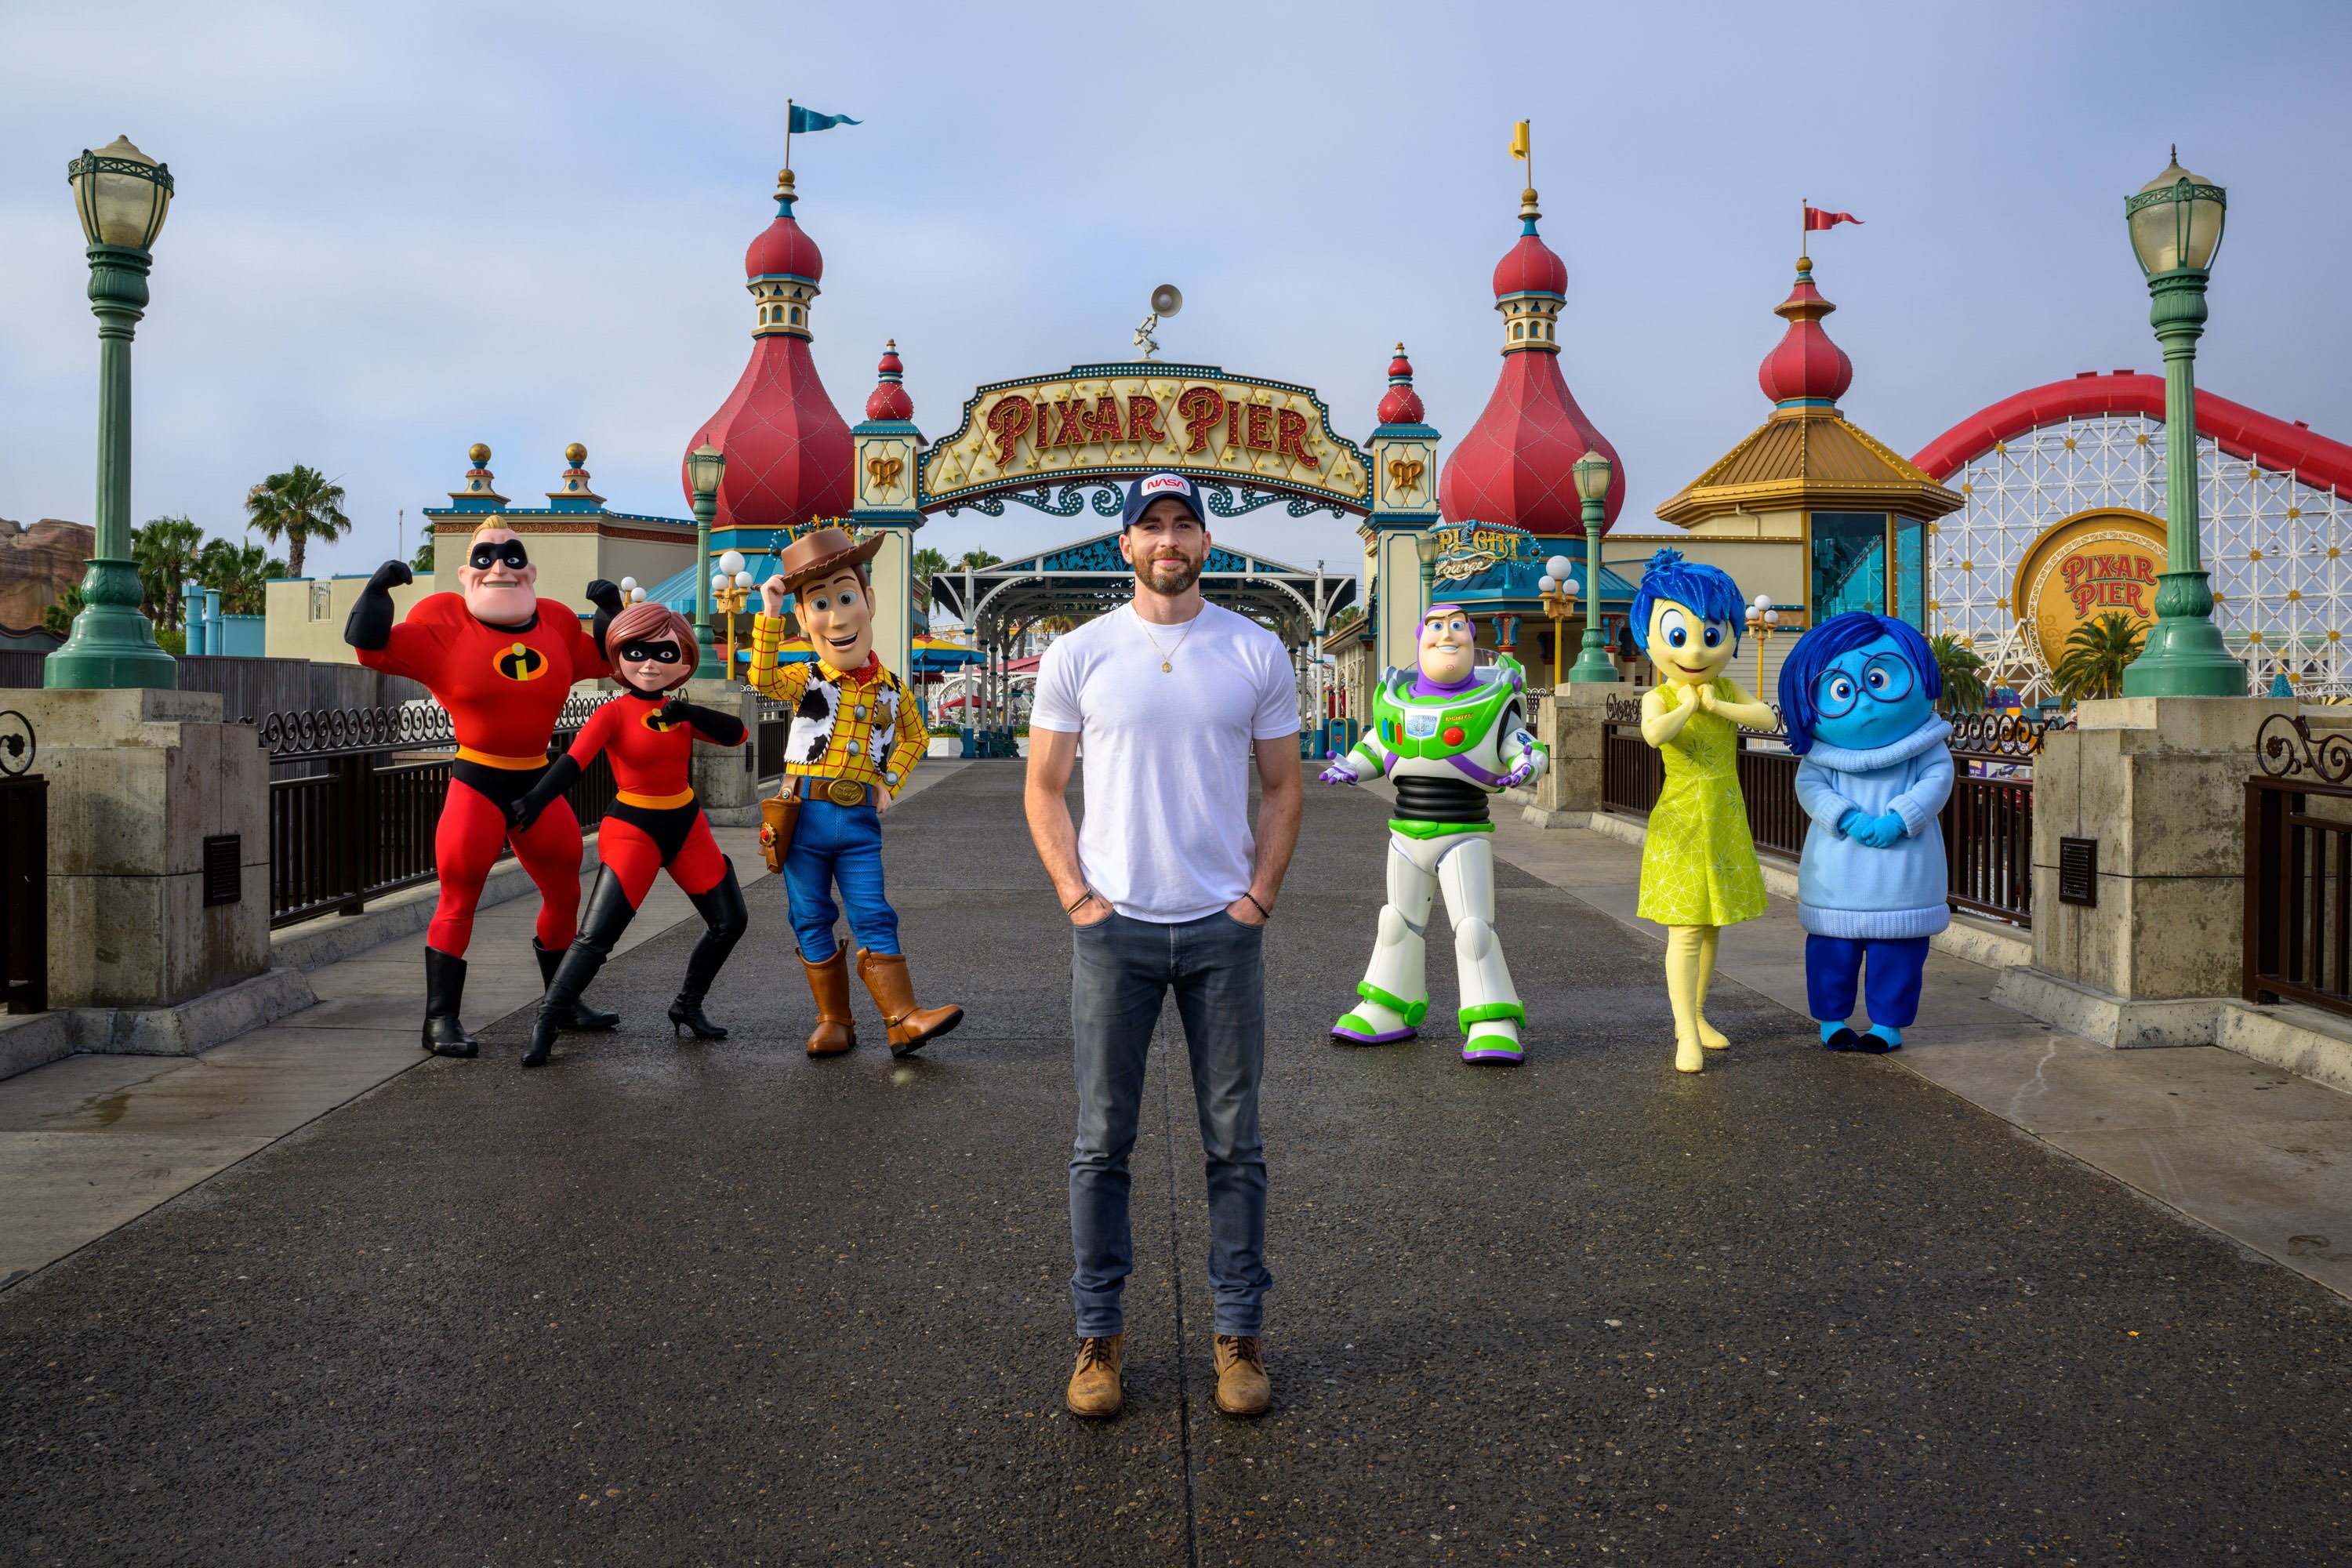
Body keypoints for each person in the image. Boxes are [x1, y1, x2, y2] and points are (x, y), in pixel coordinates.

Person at [1024, 471, 1303, 1421]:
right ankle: (1097, 1338)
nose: (1169, 540)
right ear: (1126, 546)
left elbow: (1282, 788)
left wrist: (1258, 898)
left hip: (1223, 930)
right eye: (1152, 527)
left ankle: (1238, 1334)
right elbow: (1045, 784)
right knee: (1101, 1143)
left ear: (1206, 545)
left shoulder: (1255, 649)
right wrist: (1076, 893)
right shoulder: (1081, 651)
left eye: (1185, 524)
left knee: (1237, 1143)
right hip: (1117, 928)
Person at [345, 528, 623, 1057]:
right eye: (485, 556)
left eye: (511, 555)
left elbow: (613, 657)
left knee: (565, 890)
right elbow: (371, 648)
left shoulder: (560, 623)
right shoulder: (442, 622)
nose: (499, 566)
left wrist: (610, 609)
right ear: (466, 571)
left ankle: (562, 1002)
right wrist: (378, 592)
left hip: (537, 781)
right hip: (478, 781)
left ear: (531, 570)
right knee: (459, 897)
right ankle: (440, 1020)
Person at [747, 524, 962, 1058]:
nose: (838, 617)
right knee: (809, 913)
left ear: (867, 600)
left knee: (872, 910)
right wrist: (770, 614)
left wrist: (890, 780)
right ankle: (834, 1020)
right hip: (802, 817)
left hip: (859, 820)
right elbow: (762, 678)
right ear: (804, 618)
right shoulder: (807, 680)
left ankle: (902, 1017)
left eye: (846, 598)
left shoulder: (892, 687)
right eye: (819, 604)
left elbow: (916, 736)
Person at [508, 603, 750, 1068]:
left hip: (686, 825)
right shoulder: (613, 713)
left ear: (683, 659)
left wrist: (688, 711)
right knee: (596, 939)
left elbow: (737, 734)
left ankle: (687, 1005)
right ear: (618, 659)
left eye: (663, 652)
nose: (650, 663)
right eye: (637, 652)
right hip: (633, 828)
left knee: (730, 921)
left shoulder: (678, 710)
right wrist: (534, 802)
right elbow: (573, 762)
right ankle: (547, 1022)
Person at [1319, 603, 1548, 1063]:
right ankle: (1389, 1005)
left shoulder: (1492, 703)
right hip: (1405, 832)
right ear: (1420, 638)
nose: (1448, 636)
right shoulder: (1397, 700)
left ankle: (1491, 1019)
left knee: (1472, 930)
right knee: (1395, 922)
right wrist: (1348, 767)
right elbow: (1375, 746)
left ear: (1471, 635)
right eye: (1437, 627)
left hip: (1463, 832)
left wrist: (1526, 765)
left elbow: (1523, 746)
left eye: (1458, 627)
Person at [1777, 612, 1954, 1054]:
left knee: (1898, 956)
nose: (1866, 702)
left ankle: (1887, 1026)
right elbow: (1811, 788)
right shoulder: (1822, 757)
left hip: (1904, 875)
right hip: (1836, 876)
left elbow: (1936, 784)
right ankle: (1832, 1020)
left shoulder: (1927, 747)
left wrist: (1899, 818)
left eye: (1880, 680)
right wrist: (1846, 817)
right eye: (1841, 690)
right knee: (1831, 954)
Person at [1628, 548, 1772, 1073]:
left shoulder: (1727, 687)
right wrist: (1690, 705)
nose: (1695, 649)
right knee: (1686, 929)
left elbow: (1764, 717)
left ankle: (1698, 1015)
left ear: (1731, 635)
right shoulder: (1660, 696)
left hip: (1724, 816)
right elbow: (1651, 734)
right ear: (1651, 640)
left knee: (1712, 926)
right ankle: (1684, 1032)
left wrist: (1717, 705)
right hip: (1682, 820)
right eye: (1679, 635)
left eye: (1712, 636)